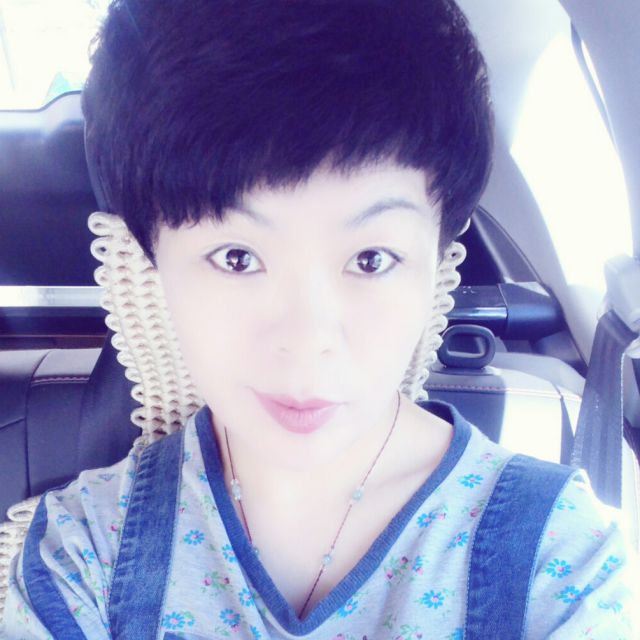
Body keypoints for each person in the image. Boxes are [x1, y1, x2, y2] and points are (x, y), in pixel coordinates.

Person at [1, 0, 638, 638]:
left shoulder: (560, 557)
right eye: (237, 257)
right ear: (152, 261)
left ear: (438, 258)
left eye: (371, 259)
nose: (307, 343)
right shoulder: (81, 554)